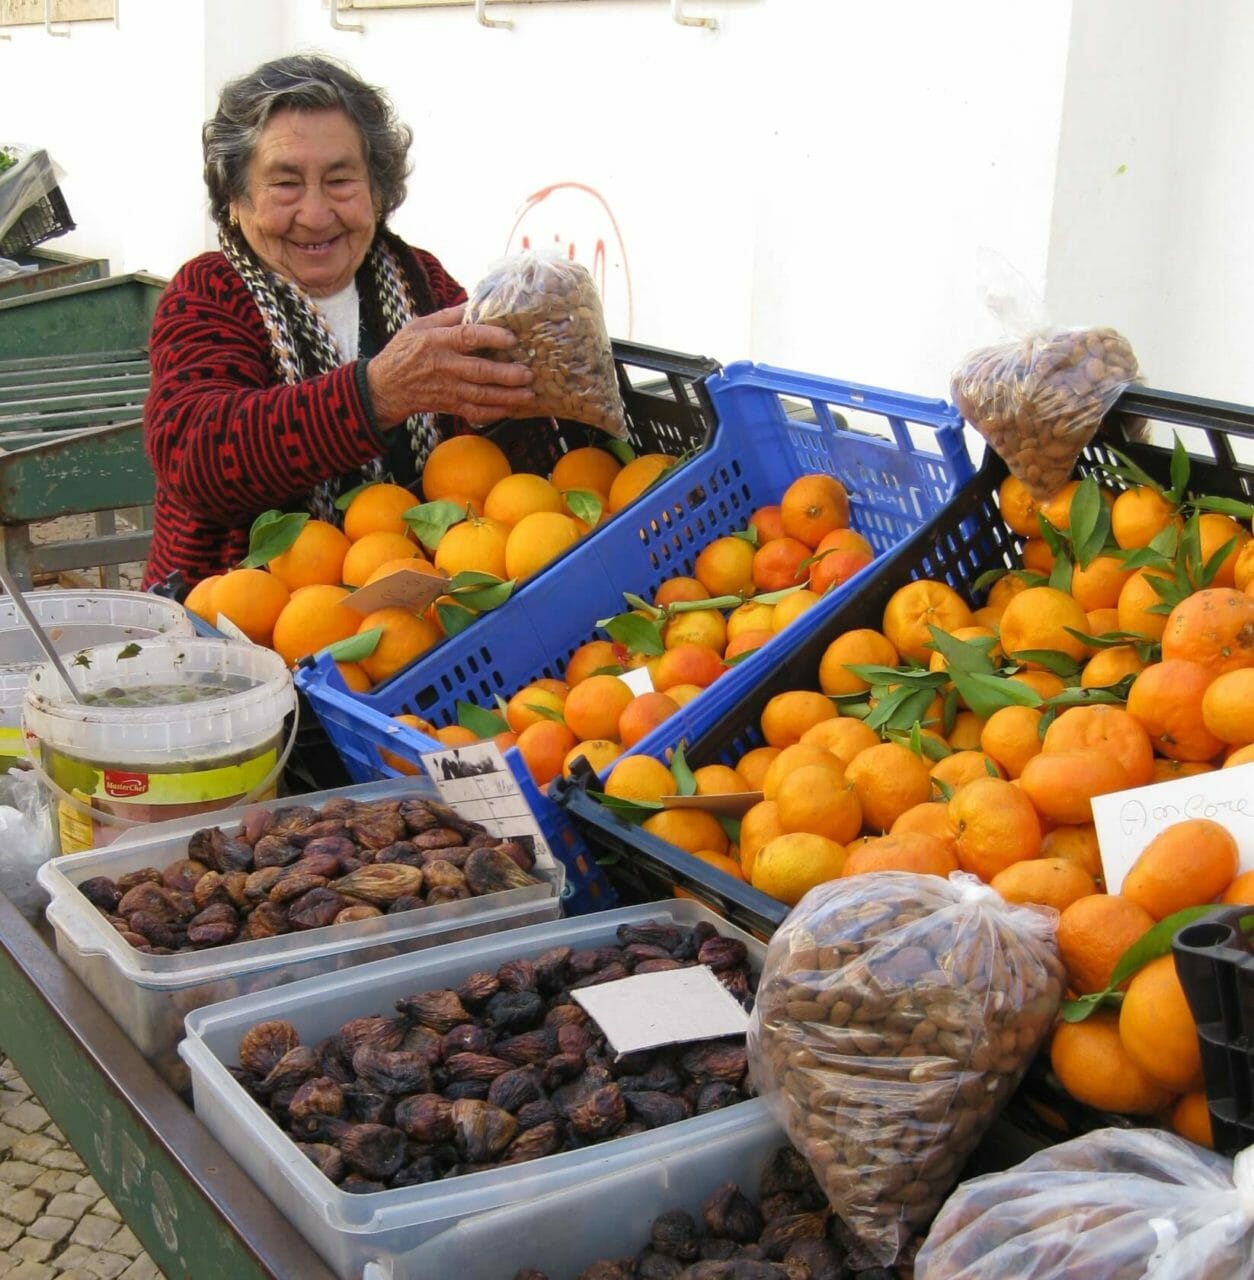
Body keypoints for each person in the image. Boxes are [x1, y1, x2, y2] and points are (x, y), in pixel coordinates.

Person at [141, 53, 536, 590]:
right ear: (237, 198)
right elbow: (196, 457)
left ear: (378, 189)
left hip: (417, 616)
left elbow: (488, 462)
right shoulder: (207, 293)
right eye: (285, 185)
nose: (316, 214)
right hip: (241, 628)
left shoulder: (423, 284)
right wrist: (375, 395)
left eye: (340, 180)